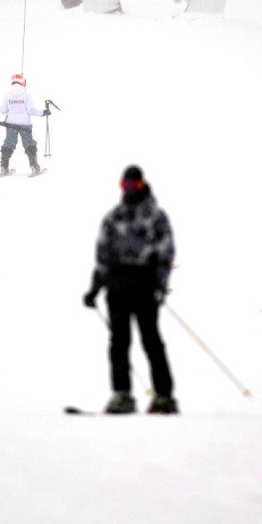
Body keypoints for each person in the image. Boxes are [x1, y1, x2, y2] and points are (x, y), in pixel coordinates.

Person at [83, 165, 177, 415]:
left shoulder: (155, 216)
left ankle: (163, 396)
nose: (129, 190)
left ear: (141, 185)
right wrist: (95, 288)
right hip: (118, 287)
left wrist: (160, 285)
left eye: (133, 185)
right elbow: (103, 254)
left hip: (144, 286)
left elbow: (165, 253)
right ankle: (122, 394)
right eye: (124, 186)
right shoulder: (114, 217)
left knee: (151, 340)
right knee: (118, 342)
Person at [0, 73, 48, 175]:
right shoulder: (26, 95)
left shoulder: (7, 95)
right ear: (23, 82)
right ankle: (34, 167)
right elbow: (30, 110)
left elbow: (3, 110)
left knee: (8, 144)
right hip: (25, 125)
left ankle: (4, 168)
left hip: (10, 124)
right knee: (29, 144)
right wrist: (42, 113)